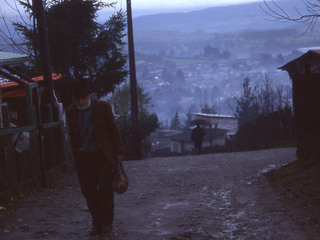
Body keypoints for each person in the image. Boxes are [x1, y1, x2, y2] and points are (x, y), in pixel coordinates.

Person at [65, 80, 125, 236]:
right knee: (89, 191)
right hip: (83, 157)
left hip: (102, 156)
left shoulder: (103, 108)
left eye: (84, 97)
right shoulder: (70, 112)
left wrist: (118, 152)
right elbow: (72, 134)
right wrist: (75, 153)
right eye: (78, 98)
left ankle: (107, 221)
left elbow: (114, 130)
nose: (81, 101)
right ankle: (97, 222)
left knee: (106, 188)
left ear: (89, 95)